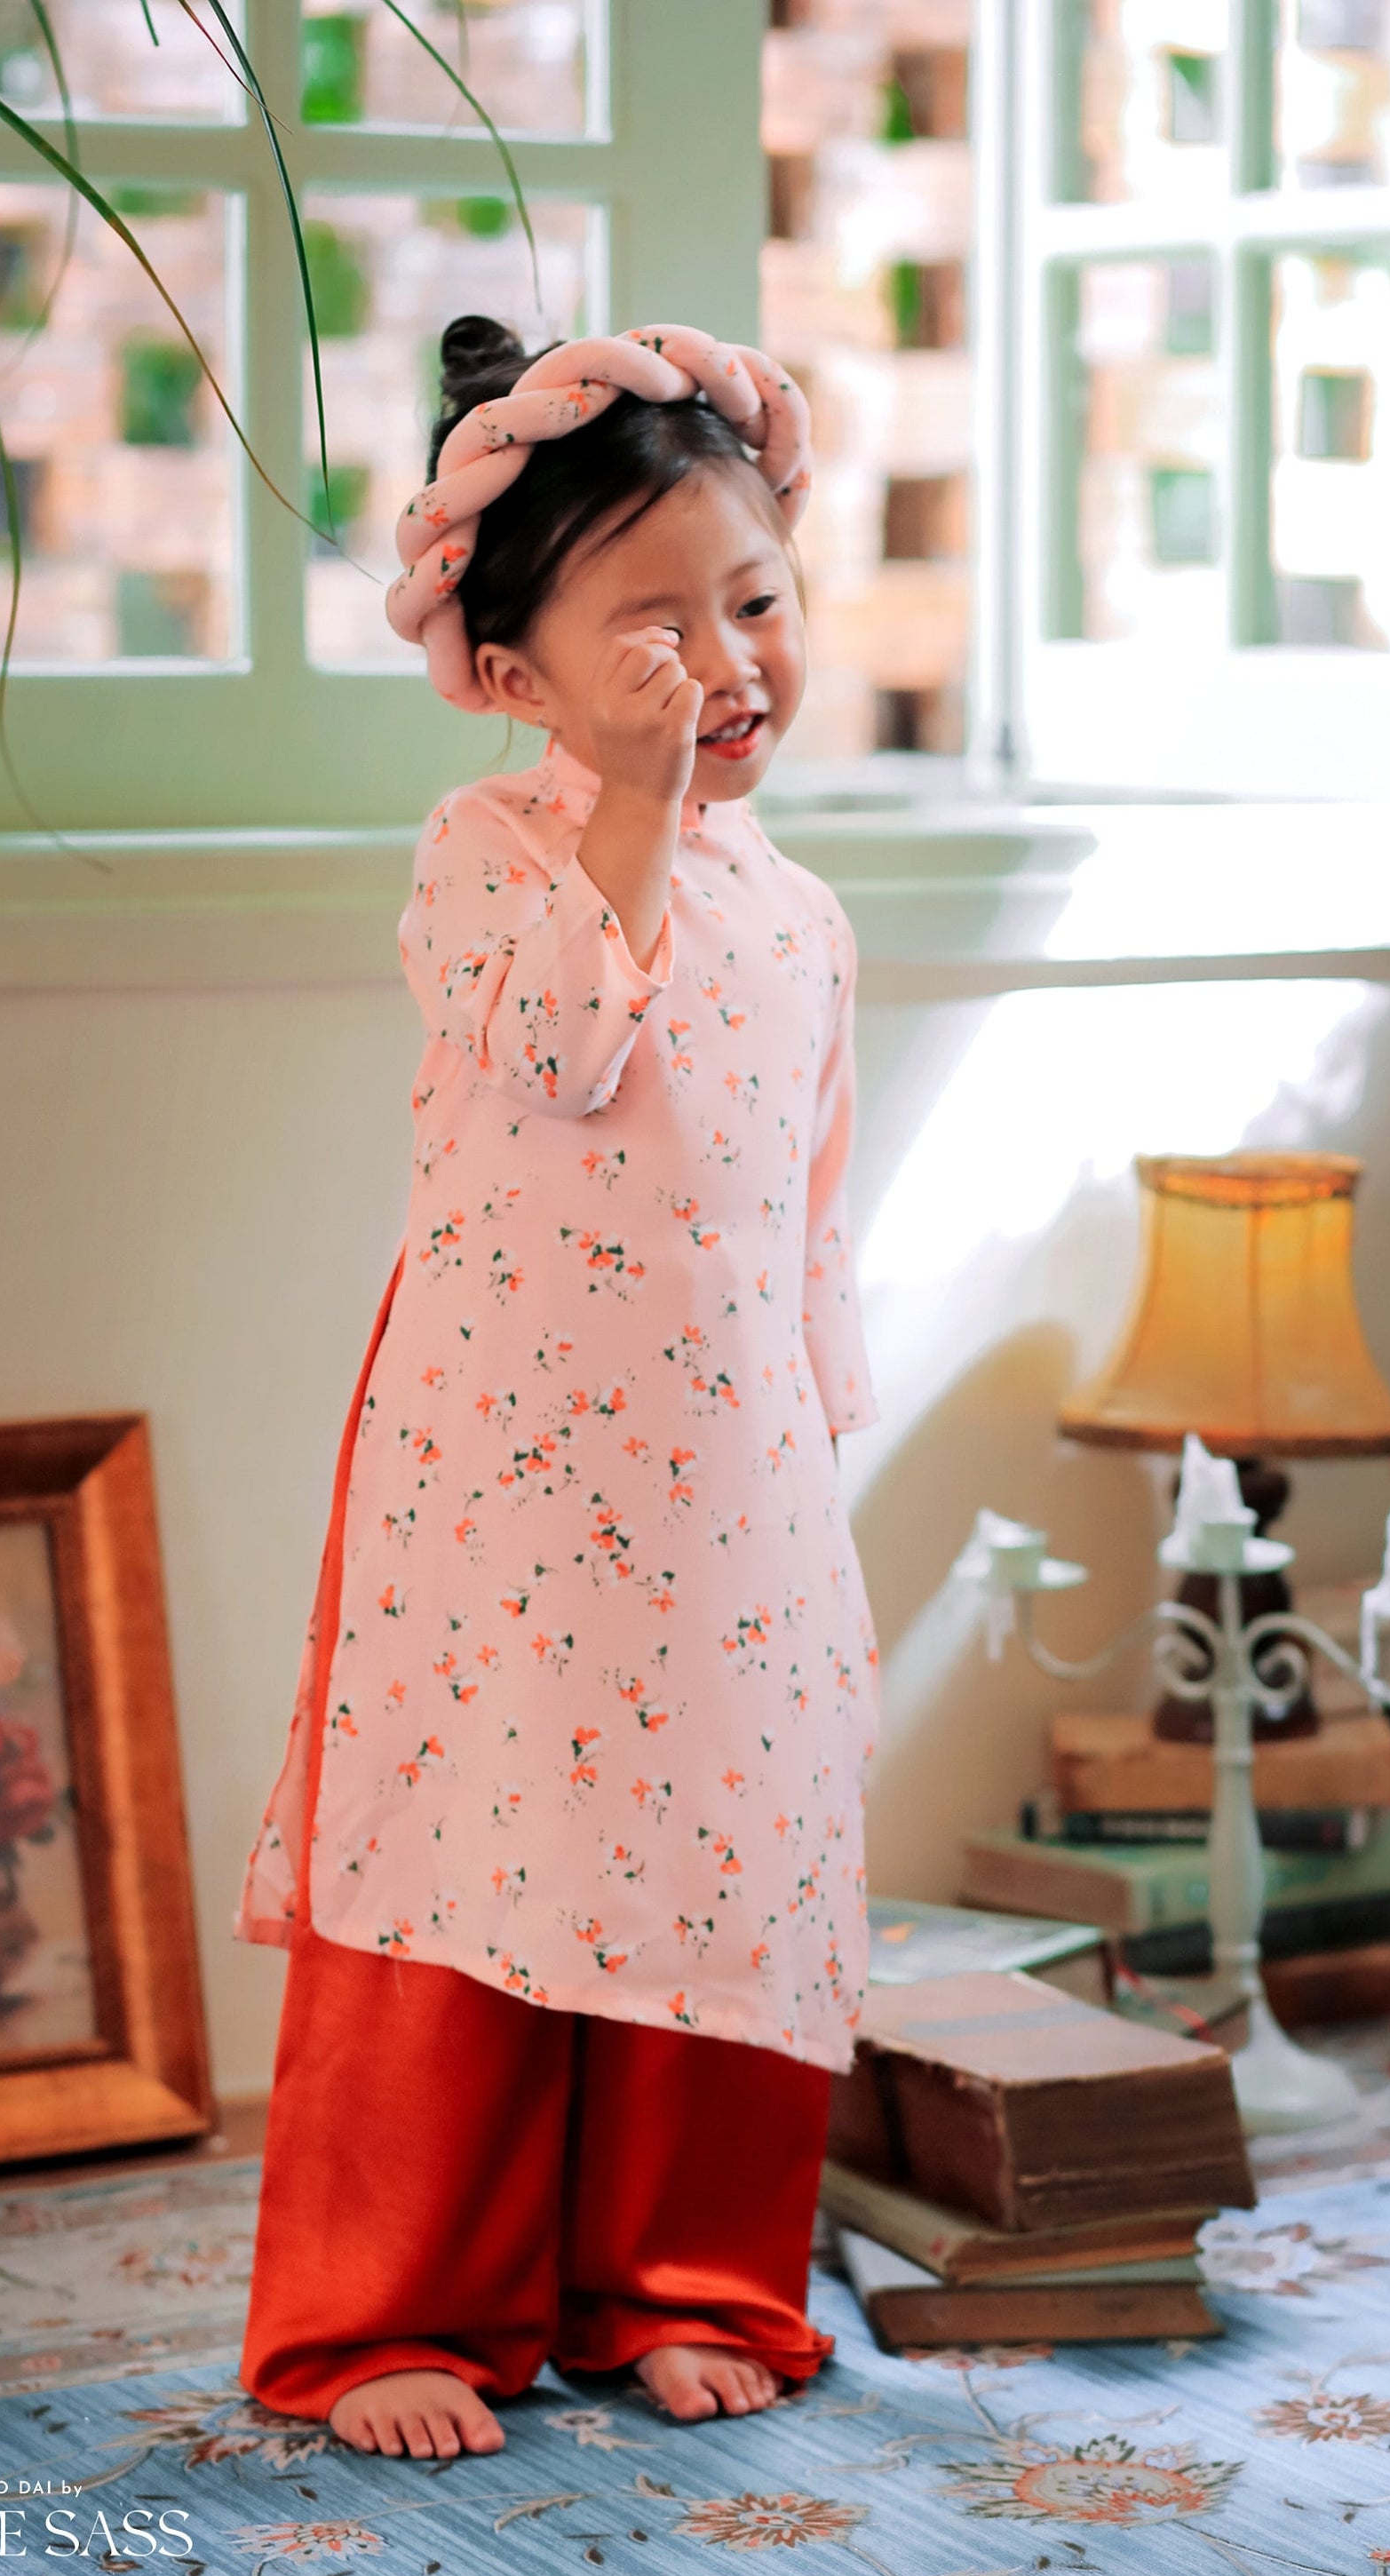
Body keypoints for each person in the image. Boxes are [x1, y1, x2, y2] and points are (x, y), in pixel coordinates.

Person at [234, 316, 882, 2464]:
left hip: (726, 1477)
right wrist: (631, 803)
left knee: (724, 1848)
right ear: (514, 678)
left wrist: (812, 1432)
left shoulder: (800, 910)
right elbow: (560, 1050)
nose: (725, 664)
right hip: (499, 1476)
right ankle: (393, 2306)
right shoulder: (484, 856)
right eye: (654, 631)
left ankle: (680, 2275)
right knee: (470, 1862)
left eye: (757, 602)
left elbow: (808, 1198)